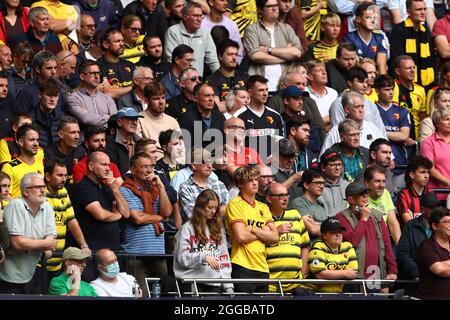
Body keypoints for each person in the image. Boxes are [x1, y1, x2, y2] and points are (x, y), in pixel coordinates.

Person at [70, 151, 129, 281]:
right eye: (103, 165)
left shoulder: (108, 187)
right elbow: (101, 215)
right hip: (93, 254)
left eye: (109, 165)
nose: (108, 168)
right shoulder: (83, 187)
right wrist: (116, 215)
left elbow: (126, 213)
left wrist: (114, 189)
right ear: (91, 166)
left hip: (112, 253)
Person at [120, 151, 172, 297]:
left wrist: (161, 187)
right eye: (144, 167)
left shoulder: (155, 190)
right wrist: (160, 218)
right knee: (141, 296)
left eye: (151, 166)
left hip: (159, 255)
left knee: (164, 295)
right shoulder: (125, 190)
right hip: (137, 256)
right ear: (134, 170)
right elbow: (137, 218)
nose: (149, 170)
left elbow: (167, 212)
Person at [335, 180, 398, 293]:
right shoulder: (341, 217)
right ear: (350, 200)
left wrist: (392, 270)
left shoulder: (377, 215)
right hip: (354, 272)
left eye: (366, 194)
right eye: (361, 195)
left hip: (373, 271)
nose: (365, 197)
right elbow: (353, 241)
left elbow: (387, 244)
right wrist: (363, 219)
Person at [37, 160, 90, 290]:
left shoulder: (63, 192)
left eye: (65, 175)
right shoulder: (39, 194)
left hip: (58, 261)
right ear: (48, 176)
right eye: (60, 175)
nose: (64, 179)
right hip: (38, 262)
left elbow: (71, 221)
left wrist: (83, 245)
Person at [0, 173, 56, 294]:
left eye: (43, 186)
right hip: (8, 277)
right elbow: (17, 244)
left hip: (32, 273)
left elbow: (52, 242)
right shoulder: (16, 205)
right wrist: (44, 244)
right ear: (26, 192)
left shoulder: (47, 207)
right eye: (37, 187)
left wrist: (31, 244)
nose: (42, 190)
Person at [225, 166, 279, 293]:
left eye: (256, 179)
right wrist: (264, 231)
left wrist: (253, 229)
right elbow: (241, 237)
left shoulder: (263, 207)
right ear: (240, 184)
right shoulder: (234, 204)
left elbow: (275, 237)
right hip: (242, 265)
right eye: (250, 180)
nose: (255, 183)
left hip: (263, 266)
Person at [174, 189, 233, 295]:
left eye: (215, 208)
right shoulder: (187, 228)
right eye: (210, 207)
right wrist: (203, 257)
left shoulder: (219, 229)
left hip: (214, 283)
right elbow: (182, 258)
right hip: (191, 282)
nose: (213, 211)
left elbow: (224, 258)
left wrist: (228, 286)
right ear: (200, 207)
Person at [242, 0, 302, 93]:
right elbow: (255, 56)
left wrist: (268, 50)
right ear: (261, 10)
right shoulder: (252, 29)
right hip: (260, 88)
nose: (274, 9)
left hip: (285, 87)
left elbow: (297, 52)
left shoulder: (287, 29)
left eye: (276, 5)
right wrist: (286, 55)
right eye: (270, 6)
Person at [265, 182, 310, 293]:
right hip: (270, 285)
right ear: (269, 198)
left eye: (286, 195)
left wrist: (303, 273)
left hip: (296, 283)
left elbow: (305, 246)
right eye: (280, 196)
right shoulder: (261, 217)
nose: (285, 199)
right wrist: (276, 232)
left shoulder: (295, 215)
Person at [389, 0, 437, 91]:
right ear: (408, 12)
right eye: (418, 10)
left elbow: (432, 60)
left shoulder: (425, 30)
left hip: (425, 84)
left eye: (424, 9)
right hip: (404, 84)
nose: (423, 12)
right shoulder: (399, 30)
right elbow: (395, 60)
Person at [235, 75, 284, 160]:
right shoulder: (239, 116)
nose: (265, 93)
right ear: (250, 92)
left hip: (273, 167)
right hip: (249, 168)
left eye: (266, 90)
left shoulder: (276, 116)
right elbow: (236, 148)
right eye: (261, 90)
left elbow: (280, 145)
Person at [164, 2, 219, 77]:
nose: (199, 19)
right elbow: (171, 60)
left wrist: (221, 80)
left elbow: (213, 61)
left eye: (201, 16)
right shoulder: (173, 32)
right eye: (195, 16)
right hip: (178, 81)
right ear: (185, 17)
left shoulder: (205, 33)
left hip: (197, 82)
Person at [397, 192, 440, 287]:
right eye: (432, 207)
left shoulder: (443, 226)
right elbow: (403, 254)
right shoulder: (410, 226)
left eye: (437, 207)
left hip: (440, 277)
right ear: (423, 210)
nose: (436, 210)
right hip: (417, 279)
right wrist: (417, 273)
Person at [374, 75, 413, 173]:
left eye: (392, 89)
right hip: (378, 165)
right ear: (377, 91)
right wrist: (395, 135)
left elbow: (404, 135)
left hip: (400, 162)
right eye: (387, 90)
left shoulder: (402, 111)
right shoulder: (371, 110)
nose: (391, 93)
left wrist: (380, 133)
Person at [308, 217, 358, 293]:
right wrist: (344, 273)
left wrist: (330, 274)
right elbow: (319, 274)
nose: (338, 234)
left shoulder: (348, 247)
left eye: (340, 232)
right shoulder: (318, 247)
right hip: (317, 293)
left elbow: (352, 273)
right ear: (324, 235)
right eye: (333, 232)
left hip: (340, 293)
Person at [179, 148, 229, 222]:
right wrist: (219, 211)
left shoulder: (219, 184)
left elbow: (229, 211)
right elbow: (193, 215)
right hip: (197, 232)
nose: (209, 165)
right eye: (204, 161)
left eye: (211, 161)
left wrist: (205, 210)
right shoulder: (186, 188)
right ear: (194, 165)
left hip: (219, 232)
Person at [66, 60, 117, 130]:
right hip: (85, 139)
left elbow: (115, 121)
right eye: (92, 73)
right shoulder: (73, 98)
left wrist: (111, 119)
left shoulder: (107, 99)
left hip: (106, 139)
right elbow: (85, 118)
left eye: (98, 73)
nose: (96, 77)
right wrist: (108, 118)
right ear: (82, 76)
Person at [343, 2, 388, 74]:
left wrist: (382, 82)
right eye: (368, 17)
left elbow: (381, 65)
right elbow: (354, 65)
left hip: (374, 77)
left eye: (375, 18)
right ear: (358, 19)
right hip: (357, 77)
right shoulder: (349, 38)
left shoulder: (379, 38)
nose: (373, 21)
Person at [415, 207, 450, 299]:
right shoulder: (427, 246)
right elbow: (439, 269)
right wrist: (443, 266)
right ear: (434, 226)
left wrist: (445, 264)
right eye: (447, 222)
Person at [205, 39, 247, 112]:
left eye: (236, 54)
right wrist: (241, 104)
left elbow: (252, 104)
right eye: (230, 54)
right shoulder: (212, 80)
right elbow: (216, 107)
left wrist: (227, 104)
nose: (234, 58)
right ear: (220, 57)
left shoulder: (245, 77)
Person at [179, 82, 225, 149]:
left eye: (213, 95)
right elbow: (186, 145)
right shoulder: (187, 118)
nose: (211, 99)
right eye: (207, 95)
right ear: (196, 99)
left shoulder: (220, 116)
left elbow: (224, 141)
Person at [2, 124, 43, 198]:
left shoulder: (40, 166)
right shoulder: (9, 167)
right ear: (20, 142)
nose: (36, 144)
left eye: (37, 140)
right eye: (31, 140)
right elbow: (6, 196)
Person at [364, 165, 402, 246]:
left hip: (382, 239)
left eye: (384, 181)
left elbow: (392, 222)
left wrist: (400, 248)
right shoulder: (359, 197)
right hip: (366, 241)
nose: (382, 185)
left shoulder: (385, 193)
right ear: (367, 183)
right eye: (377, 181)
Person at [136, 81, 182, 147]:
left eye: (163, 97)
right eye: (156, 99)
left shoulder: (172, 121)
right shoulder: (139, 120)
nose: (161, 102)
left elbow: (179, 147)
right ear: (146, 101)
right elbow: (140, 149)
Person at [392, 55, 427, 140]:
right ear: (398, 71)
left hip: (418, 138)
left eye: (414, 68)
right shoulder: (393, 86)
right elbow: (392, 114)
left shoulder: (420, 90)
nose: (412, 71)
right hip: (400, 135)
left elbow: (423, 117)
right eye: (408, 68)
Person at [44, 116, 85, 187]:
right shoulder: (48, 154)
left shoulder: (81, 152)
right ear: (61, 134)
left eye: (78, 132)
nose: (77, 137)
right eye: (73, 132)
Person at [96, 28, 135, 99]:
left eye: (122, 41)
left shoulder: (130, 65)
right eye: (117, 41)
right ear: (106, 44)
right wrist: (132, 86)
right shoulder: (98, 66)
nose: (122, 44)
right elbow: (108, 92)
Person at [420, 107, 450, 200]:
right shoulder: (428, 143)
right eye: (446, 119)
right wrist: (449, 183)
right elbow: (430, 170)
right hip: (438, 194)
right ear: (437, 123)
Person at [290, 169, 328, 240]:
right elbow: (313, 230)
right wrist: (331, 228)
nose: (322, 186)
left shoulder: (321, 204)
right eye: (317, 183)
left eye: (323, 183)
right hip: (310, 248)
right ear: (306, 185)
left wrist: (318, 225)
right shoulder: (298, 203)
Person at [397, 155, 433, 226]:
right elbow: (409, 224)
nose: (427, 176)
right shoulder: (403, 195)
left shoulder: (431, 195)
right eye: (422, 172)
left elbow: (435, 222)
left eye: (428, 172)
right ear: (412, 175)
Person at [106, 108, 142, 176]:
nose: (134, 123)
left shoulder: (140, 141)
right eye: (131, 119)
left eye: (136, 120)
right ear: (120, 122)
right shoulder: (109, 142)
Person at [305, 60, 338, 130]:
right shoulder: (305, 93)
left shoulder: (333, 93)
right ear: (310, 77)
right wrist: (332, 117)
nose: (324, 73)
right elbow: (310, 121)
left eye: (324, 70)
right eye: (319, 70)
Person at [32, 78, 64, 149]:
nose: (52, 99)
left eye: (55, 95)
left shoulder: (62, 118)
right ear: (40, 95)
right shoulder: (30, 119)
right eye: (49, 95)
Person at [319, 149, 349, 217]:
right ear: (323, 167)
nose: (337, 168)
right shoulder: (318, 187)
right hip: (325, 225)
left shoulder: (348, 186)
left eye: (339, 164)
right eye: (332, 165)